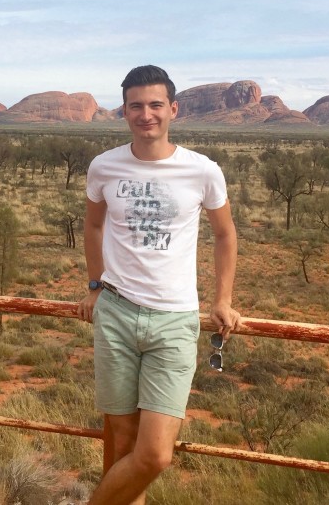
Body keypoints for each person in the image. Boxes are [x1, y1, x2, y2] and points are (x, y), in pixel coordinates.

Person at [78, 64, 240, 504]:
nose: (145, 114)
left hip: (174, 319)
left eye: (154, 105)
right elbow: (93, 227)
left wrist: (222, 300)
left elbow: (226, 235)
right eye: (135, 106)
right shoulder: (105, 166)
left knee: (153, 456)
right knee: (122, 444)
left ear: (173, 109)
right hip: (116, 311)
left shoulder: (202, 171)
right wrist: (94, 284)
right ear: (124, 112)